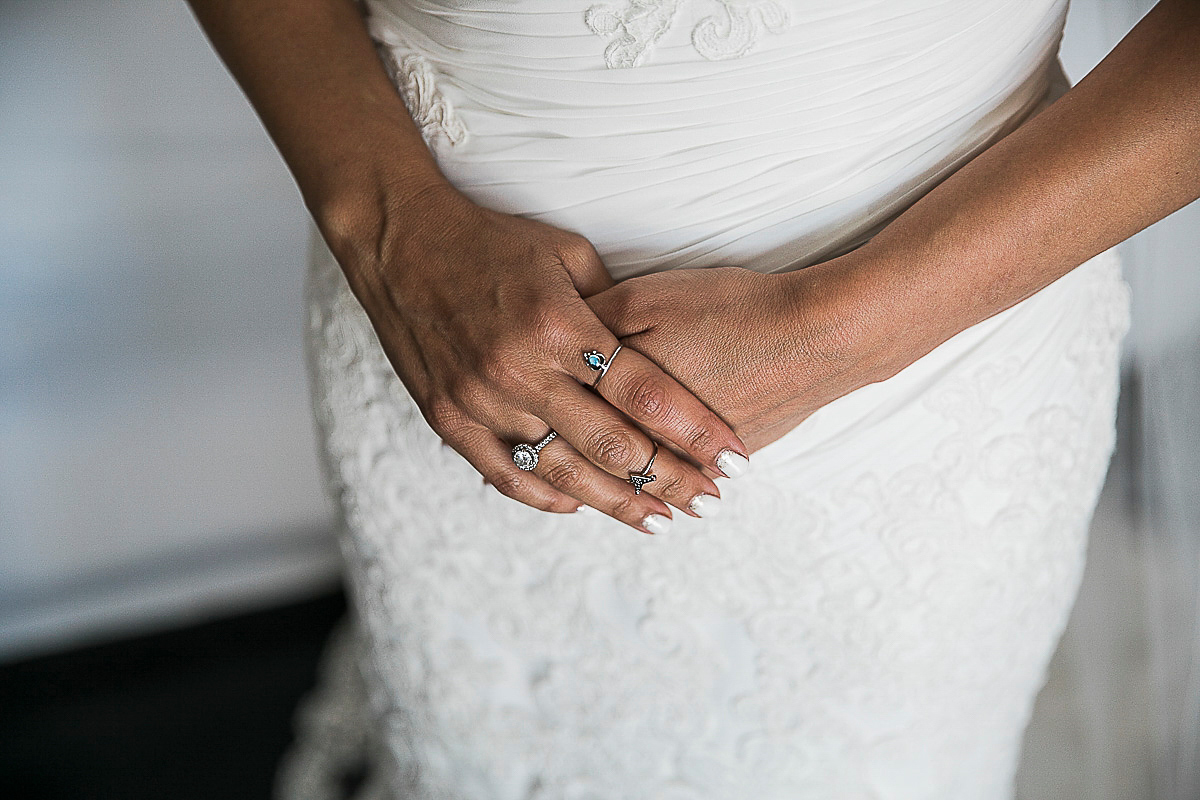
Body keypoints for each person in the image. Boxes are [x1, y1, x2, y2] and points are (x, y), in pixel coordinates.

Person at [186, 0, 1200, 797]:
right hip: (437, 341)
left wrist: (840, 334)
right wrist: (387, 222)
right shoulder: (402, 261)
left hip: (920, 395)